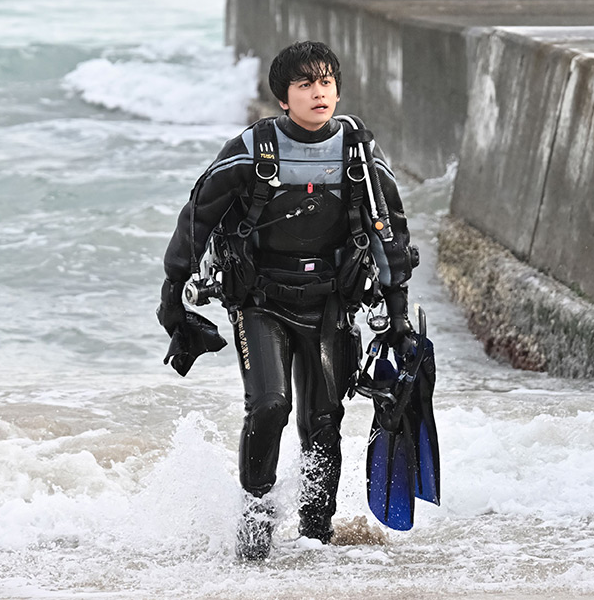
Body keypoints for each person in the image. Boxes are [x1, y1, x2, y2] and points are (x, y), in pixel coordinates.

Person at [157, 40, 416, 560]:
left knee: (324, 420)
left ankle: (316, 536)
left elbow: (390, 234)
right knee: (271, 406)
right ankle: (254, 525)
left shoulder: (358, 153)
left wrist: (397, 311)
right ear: (283, 98)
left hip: (331, 304)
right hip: (260, 301)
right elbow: (196, 218)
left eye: (326, 83)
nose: (319, 93)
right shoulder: (253, 149)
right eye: (305, 85)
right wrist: (173, 297)